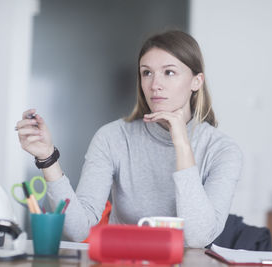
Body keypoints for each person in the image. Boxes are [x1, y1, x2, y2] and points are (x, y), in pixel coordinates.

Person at [16, 30, 242, 248]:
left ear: (196, 81)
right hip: (122, 260)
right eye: (147, 72)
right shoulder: (112, 137)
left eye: (169, 72)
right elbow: (77, 230)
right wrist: (47, 158)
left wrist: (182, 144)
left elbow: (198, 237)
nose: (155, 85)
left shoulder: (222, 150)